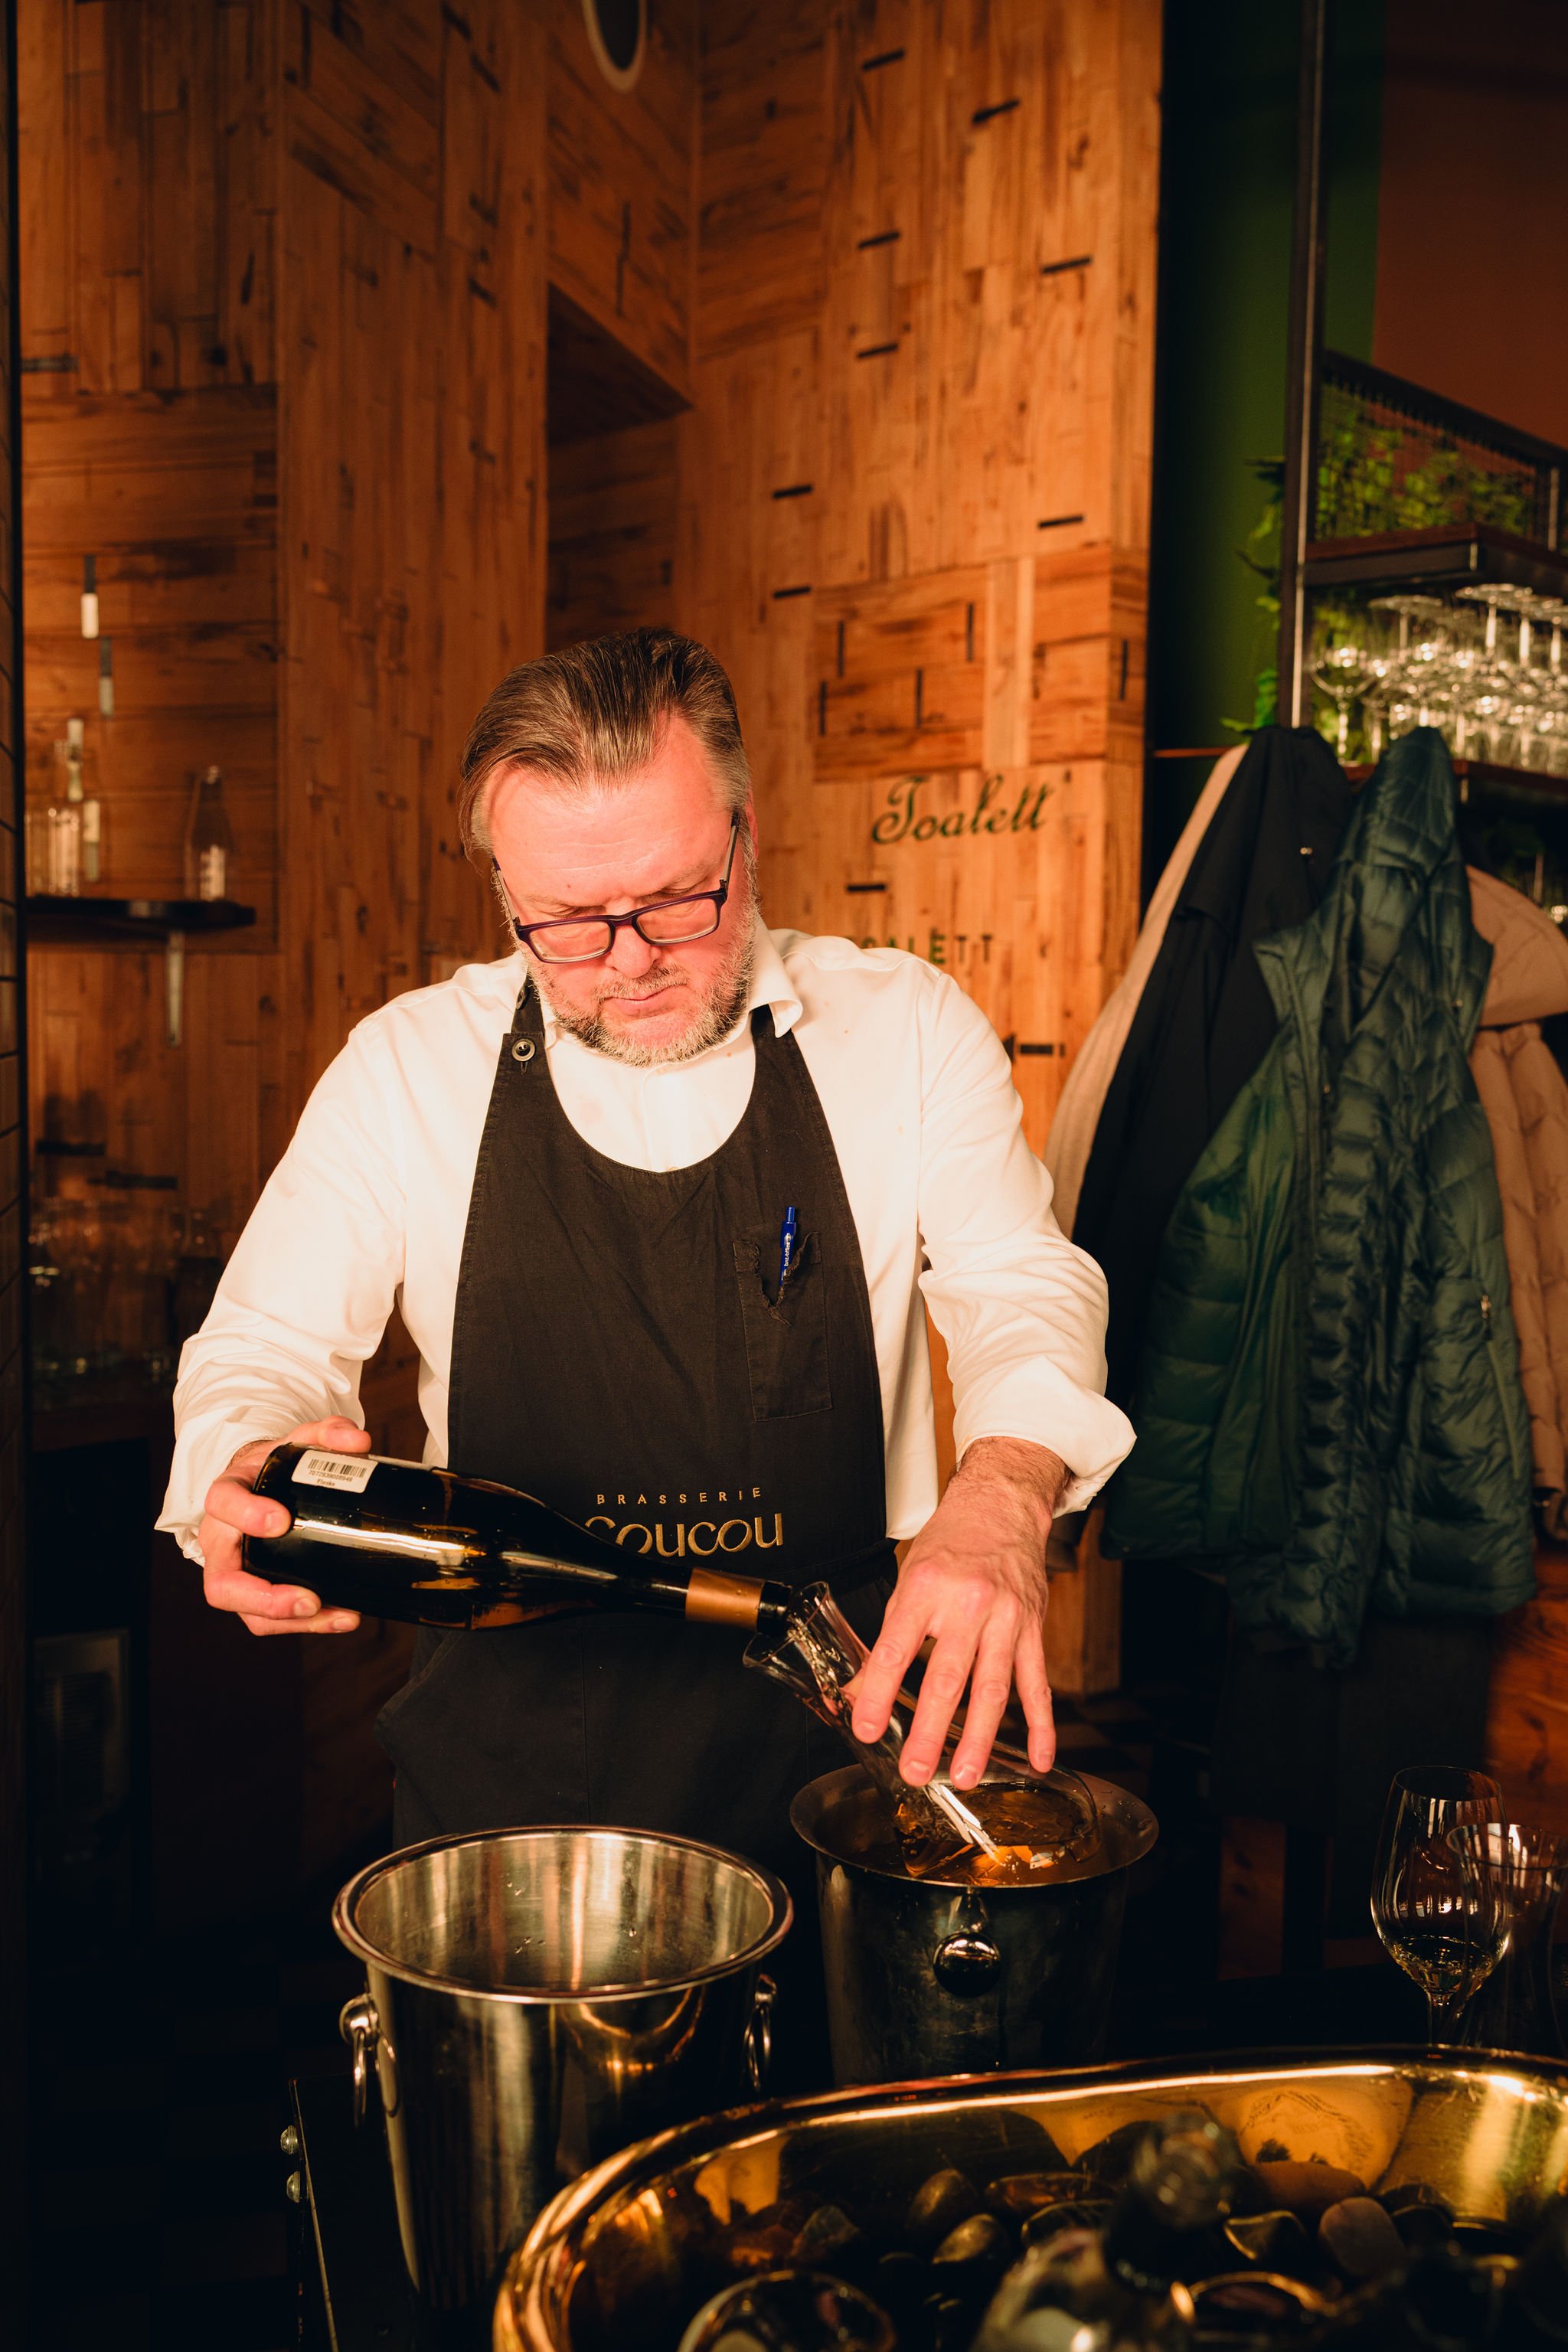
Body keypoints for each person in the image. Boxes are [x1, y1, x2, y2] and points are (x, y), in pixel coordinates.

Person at [162, 629, 1132, 1886]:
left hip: (837, 1753)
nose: (630, 961)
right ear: (506, 895)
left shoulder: (905, 1030)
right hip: (505, 1782)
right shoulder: (408, 1068)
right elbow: (261, 1348)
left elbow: (1022, 1283)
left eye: (677, 899)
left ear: (746, 837)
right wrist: (242, 1459)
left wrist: (1001, 1494)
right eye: (567, 922)